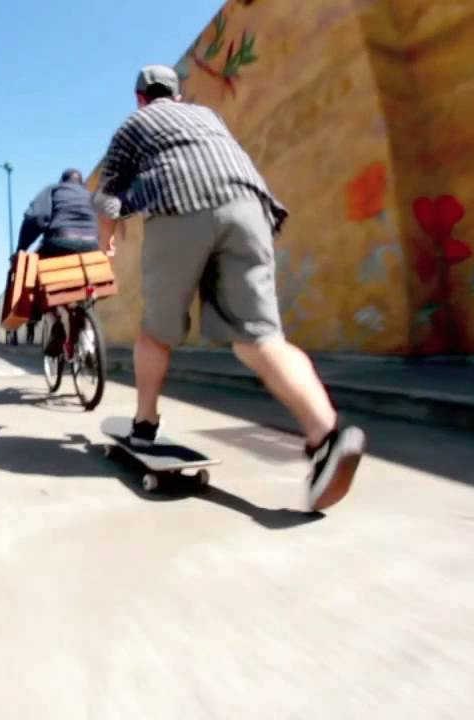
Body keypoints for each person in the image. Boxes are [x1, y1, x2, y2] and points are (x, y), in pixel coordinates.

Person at [93, 65, 365, 512]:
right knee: (261, 339)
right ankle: (327, 436)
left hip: (179, 207)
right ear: (177, 96)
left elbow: (106, 198)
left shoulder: (134, 124)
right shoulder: (208, 117)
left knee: (156, 331)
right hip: (248, 206)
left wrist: (105, 243)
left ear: (141, 98)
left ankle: (144, 424)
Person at [15, 169, 102, 357]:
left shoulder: (54, 190)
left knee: (36, 271)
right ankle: (86, 330)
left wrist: (22, 247)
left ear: (63, 181)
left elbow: (35, 218)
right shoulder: (91, 196)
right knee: (86, 284)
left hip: (60, 242)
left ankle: (53, 319)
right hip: (91, 246)